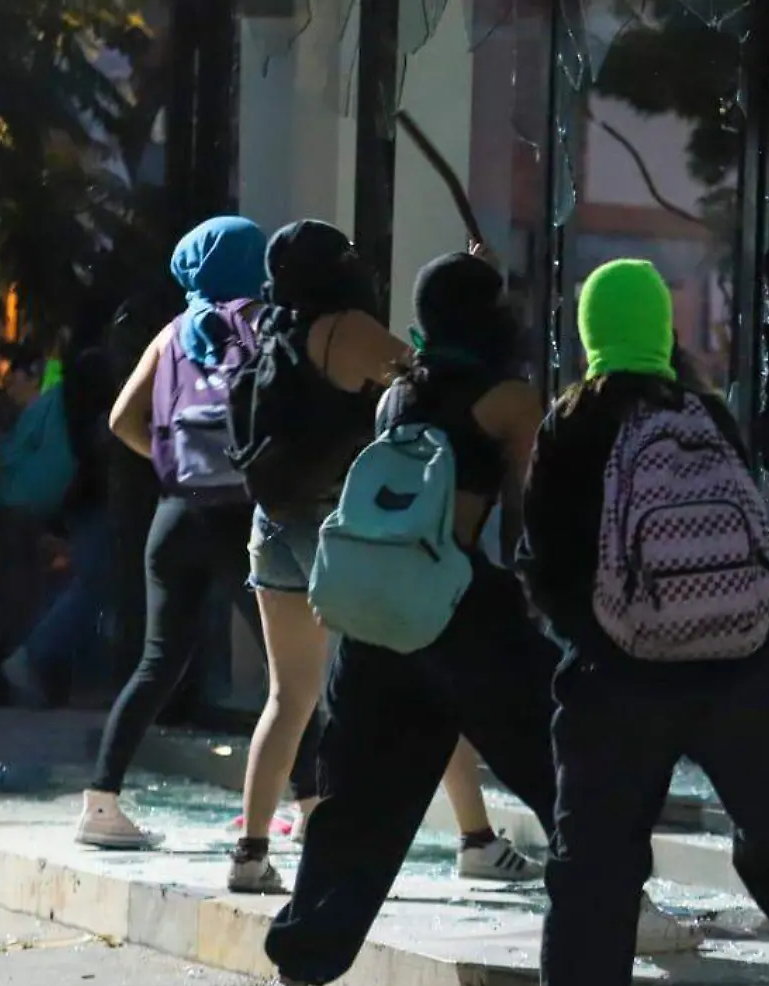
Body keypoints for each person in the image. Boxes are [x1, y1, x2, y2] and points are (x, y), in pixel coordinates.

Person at [259, 250, 701, 986]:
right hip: (463, 616)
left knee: (358, 807)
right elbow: (539, 519)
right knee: (570, 767)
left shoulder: (395, 394)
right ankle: (629, 907)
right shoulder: (508, 401)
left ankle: (294, 980)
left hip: (376, 625)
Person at [508, 260, 769, 986]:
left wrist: (596, 635)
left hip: (619, 681)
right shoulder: (703, 415)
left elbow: (541, 562)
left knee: (595, 867)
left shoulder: (573, 425)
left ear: (591, 331)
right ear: (661, 328)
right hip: (735, 668)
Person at [229, 220, 542, 893]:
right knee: (431, 672)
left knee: (288, 696)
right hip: (345, 533)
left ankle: (250, 853)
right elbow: (431, 365)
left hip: (273, 526)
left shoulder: (275, 329)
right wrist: (477, 283)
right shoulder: (348, 329)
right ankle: (476, 839)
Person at [78, 216, 306, 849]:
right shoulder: (266, 324)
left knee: (158, 663)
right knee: (290, 673)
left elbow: (123, 417)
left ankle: (100, 802)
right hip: (242, 513)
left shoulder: (176, 330)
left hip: (175, 513)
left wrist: (169, 464)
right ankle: (312, 805)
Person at [0, 343, 118, 706]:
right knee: (95, 583)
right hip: (91, 499)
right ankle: (36, 656)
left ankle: (45, 666)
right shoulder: (101, 384)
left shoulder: (61, 397)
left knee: (77, 582)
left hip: (65, 500)